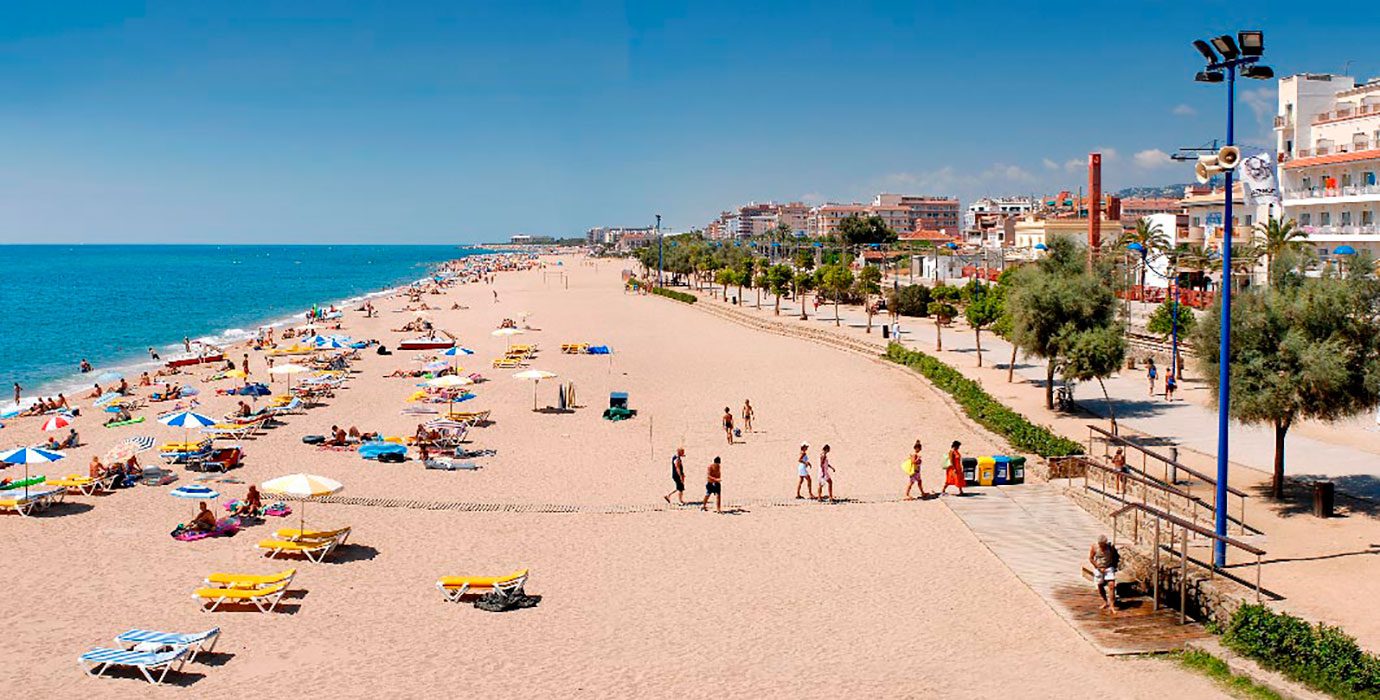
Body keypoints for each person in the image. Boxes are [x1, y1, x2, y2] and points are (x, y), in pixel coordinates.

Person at [1089, 535, 1121, 613]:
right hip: (1099, 568)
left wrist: (1113, 566)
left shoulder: (1110, 548)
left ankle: (1112, 606)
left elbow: (1115, 557)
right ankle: (1105, 601)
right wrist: (1098, 567)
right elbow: (1091, 558)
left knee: (1111, 586)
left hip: (1109, 567)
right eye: (1100, 545)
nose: (1102, 547)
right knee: (1100, 585)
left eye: (1103, 545)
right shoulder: (1094, 547)